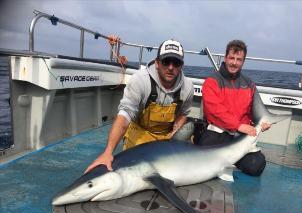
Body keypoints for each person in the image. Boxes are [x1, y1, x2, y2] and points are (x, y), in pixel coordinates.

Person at [85, 39, 194, 173]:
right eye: (166, 61)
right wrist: (108, 152)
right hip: (140, 132)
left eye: (176, 63)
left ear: (181, 66)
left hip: (168, 137)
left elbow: (184, 113)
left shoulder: (188, 87)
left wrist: (177, 129)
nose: (171, 67)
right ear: (157, 63)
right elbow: (125, 115)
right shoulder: (140, 80)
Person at [196, 39, 270, 176]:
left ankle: (230, 160)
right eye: (231, 58)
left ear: (243, 61)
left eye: (239, 59)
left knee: (256, 166)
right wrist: (237, 125)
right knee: (202, 164)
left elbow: (256, 113)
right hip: (217, 132)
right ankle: (231, 160)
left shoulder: (249, 84)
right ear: (225, 58)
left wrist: (263, 124)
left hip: (240, 136)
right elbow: (215, 111)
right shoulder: (211, 82)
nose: (234, 63)